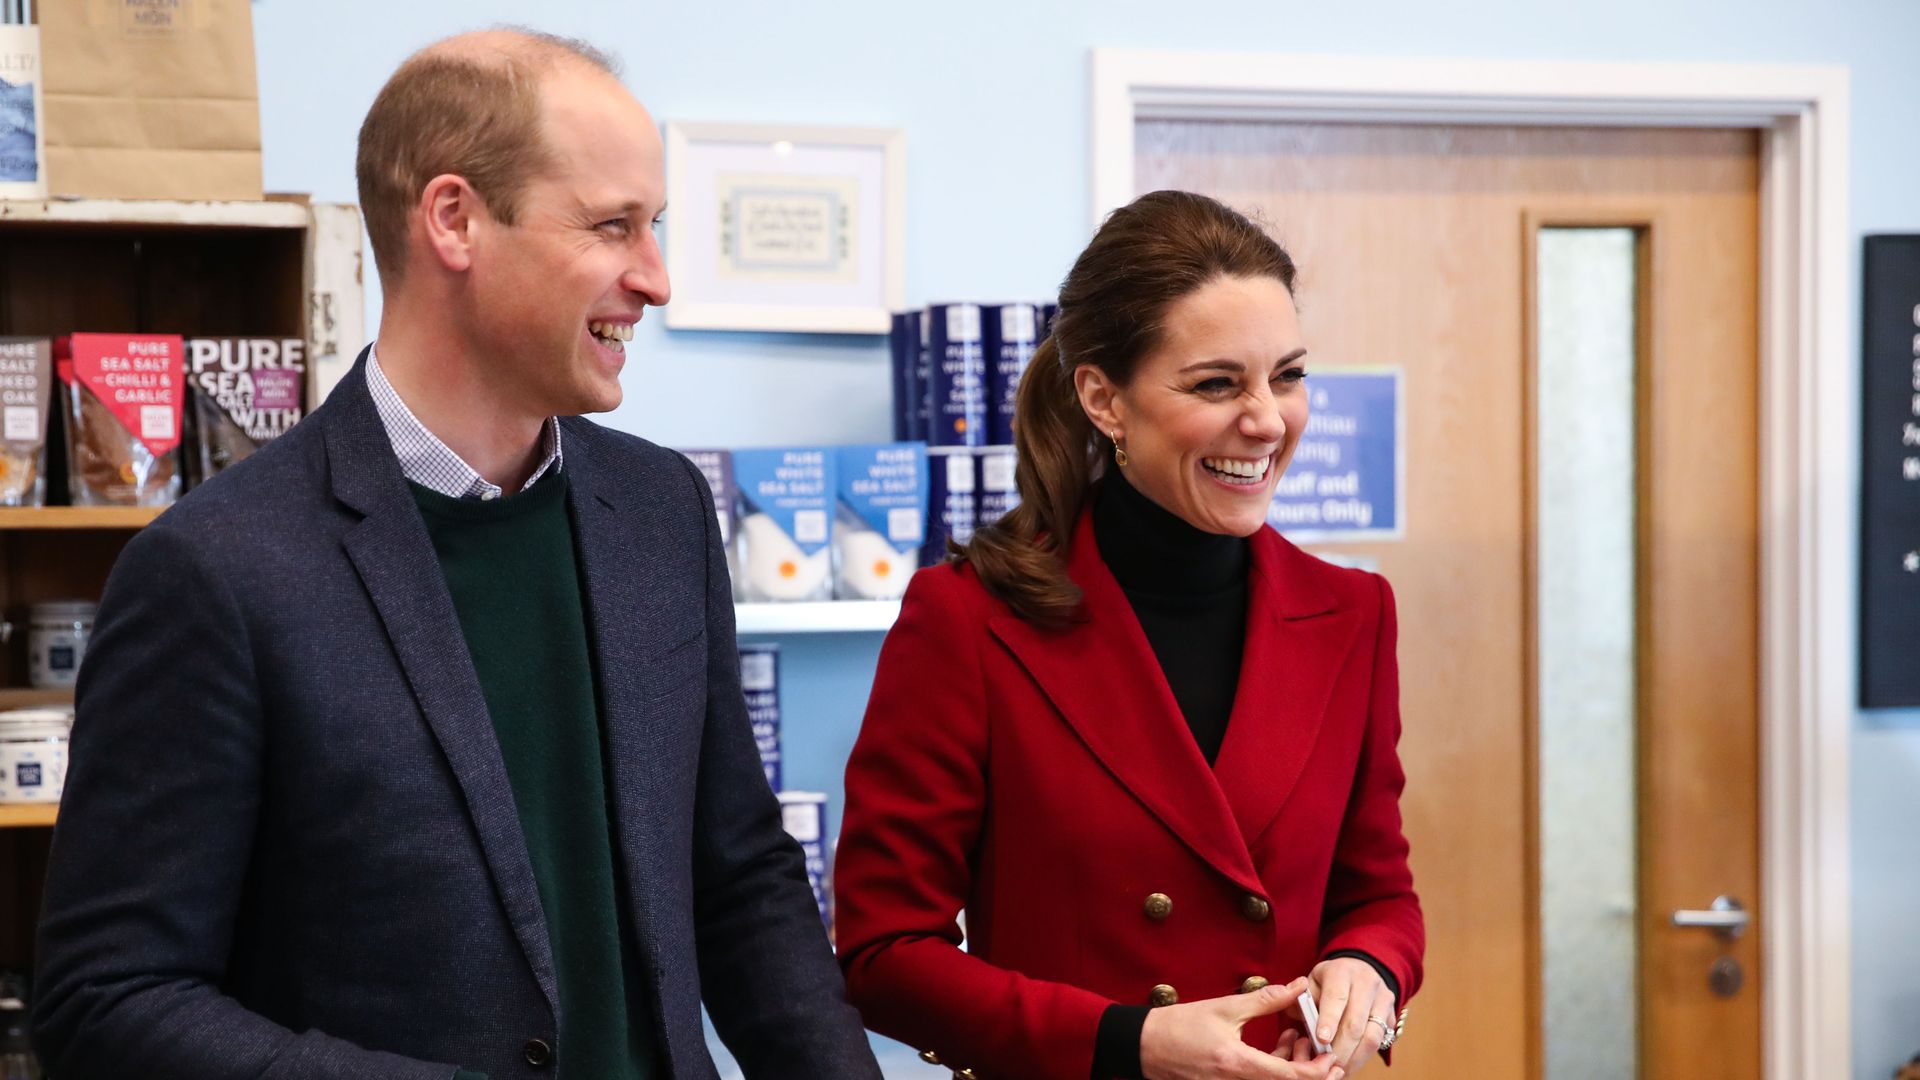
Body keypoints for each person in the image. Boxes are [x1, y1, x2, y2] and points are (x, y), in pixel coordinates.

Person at [32, 29, 882, 1080]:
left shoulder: (661, 508)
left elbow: (740, 879)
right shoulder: (216, 571)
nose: (657, 281)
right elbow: (108, 1003)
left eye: (652, 227)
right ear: (454, 220)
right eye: (614, 226)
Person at [834, 190, 1424, 1080]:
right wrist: (1127, 1042)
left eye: (1288, 375)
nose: (1267, 419)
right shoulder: (966, 618)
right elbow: (884, 954)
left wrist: (1371, 967)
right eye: (1217, 384)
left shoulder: (1354, 614)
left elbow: (1377, 891)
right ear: (1103, 399)